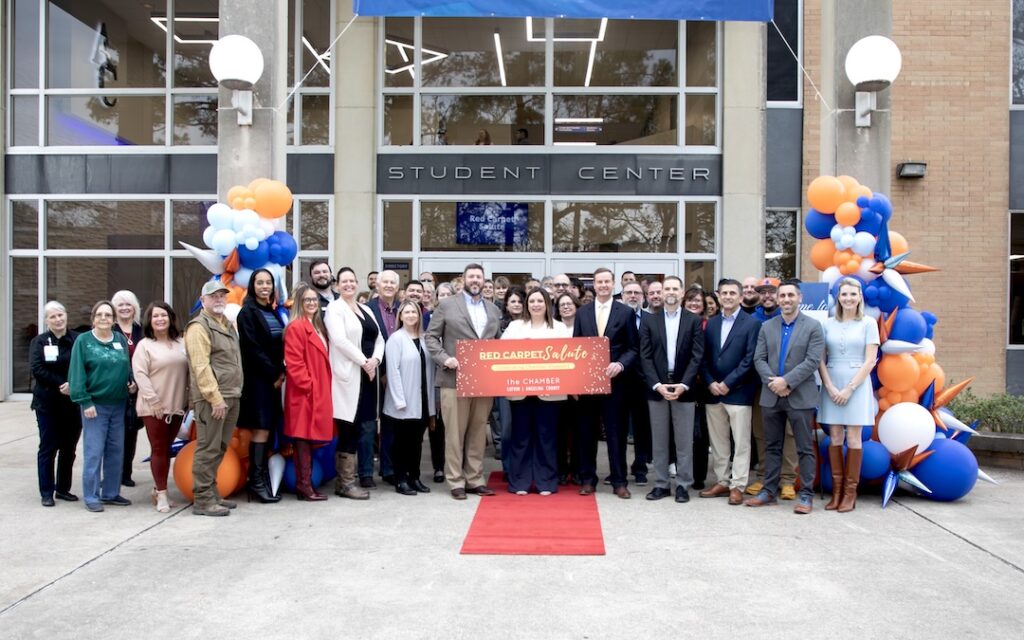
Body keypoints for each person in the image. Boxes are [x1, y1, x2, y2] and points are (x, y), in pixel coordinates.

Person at [745, 280, 825, 514]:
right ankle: (768, 491)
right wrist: (775, 382)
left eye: (791, 295)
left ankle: (806, 495)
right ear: (778, 300)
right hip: (771, 396)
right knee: (772, 446)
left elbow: (812, 361)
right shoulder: (767, 327)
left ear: (800, 298)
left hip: (800, 396)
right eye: (783, 296)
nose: (787, 299)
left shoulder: (813, 326)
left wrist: (786, 381)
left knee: (803, 448)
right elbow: (758, 359)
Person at [425, 263, 502, 500]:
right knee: (455, 433)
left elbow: (497, 341)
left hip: (483, 380)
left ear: (483, 280)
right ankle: (456, 480)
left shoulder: (492, 309)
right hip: (453, 379)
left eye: (479, 277)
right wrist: (444, 359)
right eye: (471, 277)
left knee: (479, 431)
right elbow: (431, 337)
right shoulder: (447, 305)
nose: (475, 280)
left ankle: (475, 478)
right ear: (464, 279)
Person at [574, 268, 639, 498]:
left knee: (616, 433)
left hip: (616, 384)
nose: (603, 285)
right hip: (589, 384)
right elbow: (576, 349)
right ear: (593, 284)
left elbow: (633, 348)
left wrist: (620, 365)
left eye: (607, 282)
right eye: (599, 282)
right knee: (587, 433)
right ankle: (588, 479)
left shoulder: (626, 312)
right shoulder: (582, 313)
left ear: (613, 284)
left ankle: (619, 481)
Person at [639, 276, 704, 503]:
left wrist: (684, 384)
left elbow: (697, 356)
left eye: (675, 288)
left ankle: (684, 485)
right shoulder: (650, 321)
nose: (671, 292)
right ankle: (661, 484)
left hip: (683, 388)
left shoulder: (694, 321)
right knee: (659, 440)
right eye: (667, 288)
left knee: (684, 441)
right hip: (657, 387)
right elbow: (644, 356)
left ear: (682, 292)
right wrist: (657, 385)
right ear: (661, 291)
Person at [817, 278, 880, 512]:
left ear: (860, 297)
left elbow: (870, 360)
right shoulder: (827, 324)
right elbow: (820, 359)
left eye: (853, 294)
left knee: (853, 438)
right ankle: (836, 492)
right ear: (838, 298)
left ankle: (849, 494)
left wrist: (849, 389)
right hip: (832, 382)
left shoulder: (868, 323)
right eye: (844, 294)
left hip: (857, 385)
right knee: (834, 438)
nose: (848, 299)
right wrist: (830, 387)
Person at [500, 288, 569, 495]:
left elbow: (567, 360)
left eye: (540, 301)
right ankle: (519, 482)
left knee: (546, 437)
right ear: (526, 305)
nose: (536, 304)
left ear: (547, 304)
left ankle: (545, 482)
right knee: (520, 436)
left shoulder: (559, 328)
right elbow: (502, 354)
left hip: (550, 392)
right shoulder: (514, 326)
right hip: (519, 392)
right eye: (532, 301)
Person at [698, 279, 761, 505]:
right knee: (718, 442)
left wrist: (728, 383)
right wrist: (710, 382)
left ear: (740, 296)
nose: (727, 297)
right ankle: (722, 481)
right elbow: (703, 357)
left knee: (741, 441)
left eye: (732, 293)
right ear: (718, 295)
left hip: (739, 392)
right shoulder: (711, 324)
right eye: (724, 293)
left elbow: (750, 359)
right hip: (713, 391)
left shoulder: (752, 324)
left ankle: (738, 485)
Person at [324, 267, 385, 500]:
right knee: (348, 429)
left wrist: (376, 360)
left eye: (352, 280)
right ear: (337, 285)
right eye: (344, 281)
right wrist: (364, 363)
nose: (349, 284)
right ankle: (345, 483)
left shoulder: (365, 309)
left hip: (368, 378)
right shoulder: (334, 309)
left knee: (365, 426)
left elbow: (379, 338)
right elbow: (339, 340)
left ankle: (357, 477)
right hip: (349, 378)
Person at [69, 300, 135, 512]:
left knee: (116, 450)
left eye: (108, 315)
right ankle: (91, 495)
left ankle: (110, 492)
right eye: (100, 315)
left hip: (118, 404)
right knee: (94, 451)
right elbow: (76, 373)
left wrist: (131, 382)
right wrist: (84, 400)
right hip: (94, 406)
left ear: (114, 320)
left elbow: (126, 366)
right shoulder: (84, 341)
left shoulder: (119, 340)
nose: (104, 318)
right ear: (93, 319)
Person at [185, 281, 244, 517]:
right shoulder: (199, 327)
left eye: (222, 295)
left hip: (232, 395)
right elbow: (201, 366)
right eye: (214, 296)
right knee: (207, 448)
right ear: (203, 300)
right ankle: (202, 499)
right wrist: (215, 398)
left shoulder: (226, 324)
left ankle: (212, 493)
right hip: (213, 400)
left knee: (219, 447)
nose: (219, 299)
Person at [132, 302, 189, 513]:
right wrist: (153, 401)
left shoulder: (180, 342)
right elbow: (140, 374)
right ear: (150, 321)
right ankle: (163, 494)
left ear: (170, 318)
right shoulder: (145, 345)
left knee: (167, 449)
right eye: (155, 316)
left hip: (176, 407)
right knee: (158, 449)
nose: (160, 319)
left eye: (163, 315)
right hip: (154, 407)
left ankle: (158, 489)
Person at [235, 268, 285, 504]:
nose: (264, 286)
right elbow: (252, 349)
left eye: (268, 283)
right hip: (258, 381)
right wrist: (275, 373)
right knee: (261, 428)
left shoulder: (272, 311)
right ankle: (255, 483)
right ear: (252, 286)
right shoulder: (248, 313)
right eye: (260, 282)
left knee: (269, 428)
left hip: (274, 381)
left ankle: (262, 479)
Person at [747, 280, 798, 500]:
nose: (767, 296)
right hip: (761, 386)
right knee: (762, 433)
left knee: (788, 433)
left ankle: (787, 480)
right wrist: (771, 380)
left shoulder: (792, 319)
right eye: (763, 292)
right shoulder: (751, 320)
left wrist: (785, 381)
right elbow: (754, 357)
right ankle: (764, 476)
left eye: (771, 292)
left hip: (789, 386)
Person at [283, 284, 333, 502]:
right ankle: (304, 485)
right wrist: (309, 386)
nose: (312, 303)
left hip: (317, 389)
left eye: (315, 300)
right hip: (304, 393)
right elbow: (294, 363)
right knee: (302, 438)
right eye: (307, 300)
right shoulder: (296, 327)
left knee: (309, 439)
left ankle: (306, 484)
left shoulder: (318, 326)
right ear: (299, 303)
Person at [29, 301, 82, 507]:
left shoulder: (77, 339)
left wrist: (74, 384)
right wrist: (61, 383)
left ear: (66, 316)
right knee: (48, 447)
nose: (58, 319)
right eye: (52, 317)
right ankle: (46, 491)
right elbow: (37, 369)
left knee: (69, 448)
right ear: (46, 321)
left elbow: (85, 365)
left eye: (60, 315)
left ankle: (63, 489)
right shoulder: (40, 342)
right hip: (48, 404)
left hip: (73, 403)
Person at [383, 301, 436, 496]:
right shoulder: (396, 339)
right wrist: (399, 400)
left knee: (417, 442)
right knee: (402, 443)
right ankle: (401, 479)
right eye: (407, 312)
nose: (411, 315)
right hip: (403, 401)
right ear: (401, 316)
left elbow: (429, 370)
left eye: (414, 311)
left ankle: (415, 477)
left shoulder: (424, 339)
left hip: (422, 401)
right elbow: (393, 371)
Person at [367, 269, 401, 487]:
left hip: (399, 375)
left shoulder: (404, 309)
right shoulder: (367, 309)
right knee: (370, 424)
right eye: (385, 282)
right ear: (377, 286)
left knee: (392, 424)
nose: (388, 285)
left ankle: (389, 468)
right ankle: (367, 470)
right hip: (373, 373)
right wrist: (381, 370)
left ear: (397, 287)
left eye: (392, 282)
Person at [620, 280, 652, 485]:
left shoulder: (652, 319)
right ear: (622, 296)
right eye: (629, 292)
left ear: (643, 296)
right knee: (619, 428)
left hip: (644, 382)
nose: (633, 296)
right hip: (620, 381)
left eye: (637, 293)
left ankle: (640, 467)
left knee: (642, 428)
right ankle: (619, 469)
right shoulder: (615, 317)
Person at [111, 290, 143, 488]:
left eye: (128, 304)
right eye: (120, 304)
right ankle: (112, 474)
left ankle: (126, 473)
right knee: (113, 436)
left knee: (131, 433)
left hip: (137, 390)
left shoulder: (141, 330)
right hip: (114, 389)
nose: (124, 308)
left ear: (134, 308)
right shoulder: (110, 329)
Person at [495, 286, 526, 472]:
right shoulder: (497, 325)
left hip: (528, 383)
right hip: (504, 383)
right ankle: (508, 468)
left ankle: (524, 467)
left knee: (524, 428)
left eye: (520, 301)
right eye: (512, 301)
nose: (516, 305)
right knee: (506, 429)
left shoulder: (533, 324)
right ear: (506, 304)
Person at [427, 283, 455, 483]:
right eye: (441, 294)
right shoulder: (428, 317)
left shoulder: (459, 316)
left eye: (448, 293)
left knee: (454, 424)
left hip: (455, 375)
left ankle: (455, 465)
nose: (444, 297)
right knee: (437, 425)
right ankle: (438, 467)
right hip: (435, 375)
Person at [682, 288, 710, 489]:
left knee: (700, 434)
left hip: (704, 386)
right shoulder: (677, 323)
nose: (693, 304)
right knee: (683, 434)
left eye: (697, 301)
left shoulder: (709, 325)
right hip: (681, 385)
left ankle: (699, 476)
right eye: (690, 300)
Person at [553, 292, 581, 484]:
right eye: (562, 304)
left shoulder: (585, 326)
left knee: (580, 431)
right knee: (560, 432)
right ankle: (561, 470)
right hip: (558, 388)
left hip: (580, 390)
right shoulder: (553, 328)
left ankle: (578, 470)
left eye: (569, 303)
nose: (565, 307)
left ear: (576, 305)